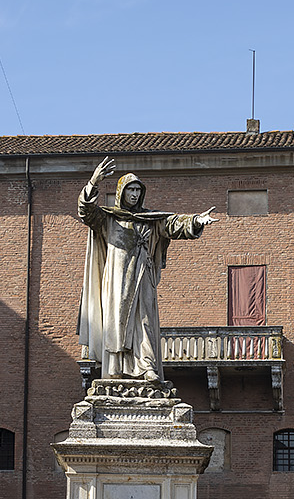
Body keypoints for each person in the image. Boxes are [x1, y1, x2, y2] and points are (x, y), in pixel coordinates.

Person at [77, 157, 218, 383]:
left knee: (145, 321)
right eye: (130, 190)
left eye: (137, 191)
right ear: (121, 192)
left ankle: (147, 366)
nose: (134, 194)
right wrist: (94, 181)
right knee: (117, 322)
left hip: (143, 275)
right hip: (116, 280)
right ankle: (116, 368)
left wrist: (197, 220)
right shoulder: (108, 219)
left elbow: (172, 224)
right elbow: (86, 211)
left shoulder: (149, 220)